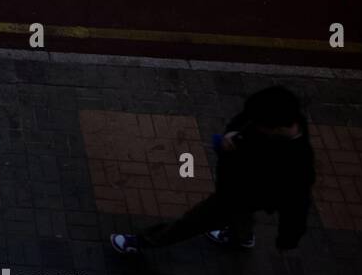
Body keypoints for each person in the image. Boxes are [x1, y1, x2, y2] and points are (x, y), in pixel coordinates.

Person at [110, 85, 316, 255]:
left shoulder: (298, 162)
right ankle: (241, 238)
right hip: (239, 187)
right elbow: (243, 120)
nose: (251, 125)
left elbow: (297, 205)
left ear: (276, 128)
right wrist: (232, 133)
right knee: (242, 213)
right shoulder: (280, 117)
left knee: (191, 222)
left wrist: (286, 240)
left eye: (258, 124)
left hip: (237, 194)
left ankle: (142, 242)